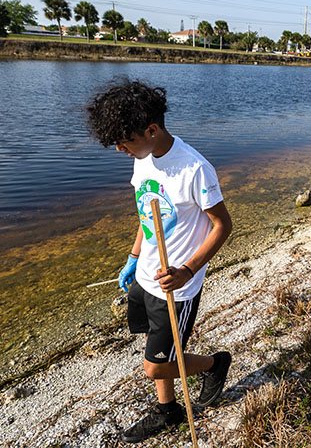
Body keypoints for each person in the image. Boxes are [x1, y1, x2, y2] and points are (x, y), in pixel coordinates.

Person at [86, 79, 233, 443]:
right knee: (158, 348)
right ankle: (168, 412)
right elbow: (146, 216)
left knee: (156, 366)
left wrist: (186, 271)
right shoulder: (143, 158)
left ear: (151, 129)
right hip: (146, 277)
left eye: (124, 141)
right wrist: (133, 257)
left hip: (177, 287)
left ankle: (216, 364)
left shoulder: (194, 169)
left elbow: (222, 225)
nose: (120, 149)